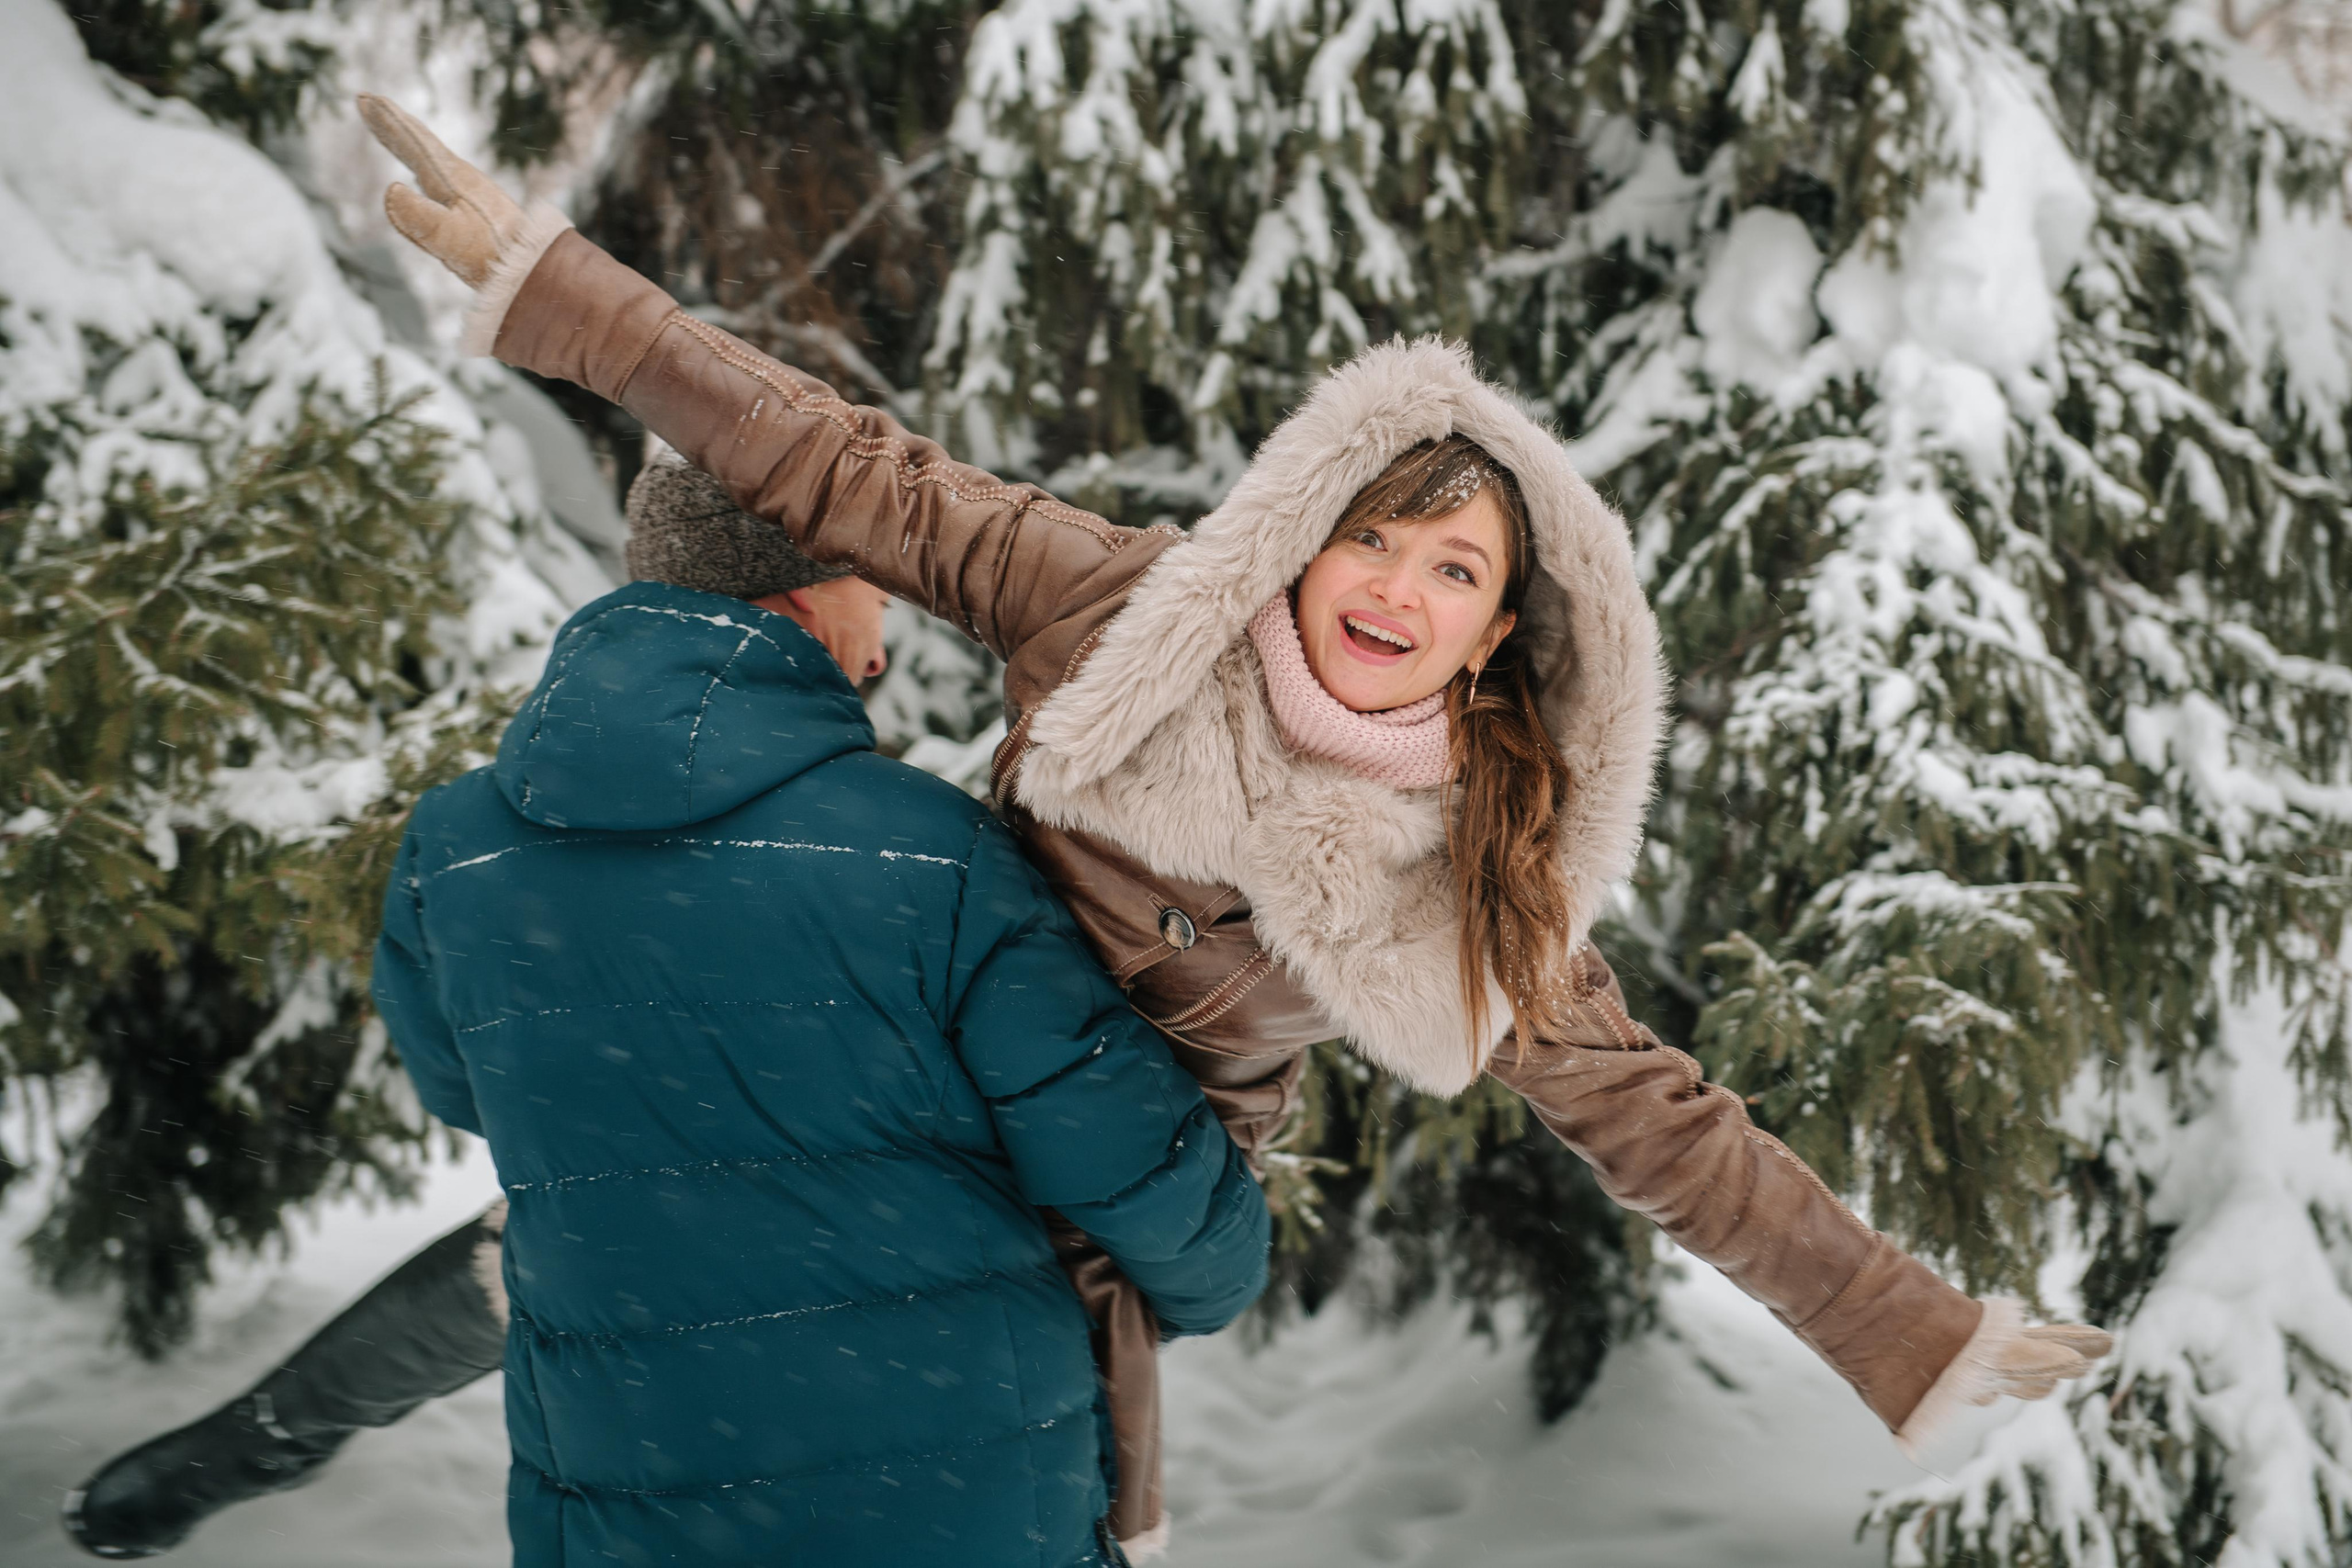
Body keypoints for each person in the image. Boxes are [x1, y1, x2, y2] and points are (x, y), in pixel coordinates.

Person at [62, 93, 2116, 1561]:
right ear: (1304, 534)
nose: (1397, 588)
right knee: (589, 1257)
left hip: (1096, 1210)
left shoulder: (1457, 884)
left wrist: (1904, 1331)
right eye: (1376, 535)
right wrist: (565, 300)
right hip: (909, 1042)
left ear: (1497, 636)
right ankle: (237, 1451)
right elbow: (849, 472)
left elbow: (1661, 1123)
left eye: (1455, 573)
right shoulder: (1132, 608)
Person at [80, 490, 1272, 1568]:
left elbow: (469, 1093)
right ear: (801, 594)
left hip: (621, 1496)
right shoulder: (928, 850)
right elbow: (1145, 1187)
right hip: (960, 1498)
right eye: (870, 592)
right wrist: (1220, 1260)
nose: (882, 640)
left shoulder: (459, 850)